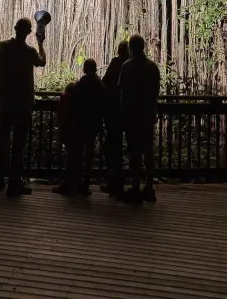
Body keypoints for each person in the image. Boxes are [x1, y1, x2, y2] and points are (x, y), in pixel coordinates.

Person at [0, 16, 46, 196]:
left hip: (6, 101)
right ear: (29, 32)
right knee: (19, 143)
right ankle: (15, 182)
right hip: (23, 103)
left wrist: (5, 88)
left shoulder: (3, 46)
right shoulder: (29, 51)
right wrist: (41, 43)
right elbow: (42, 61)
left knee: (3, 139)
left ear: (15, 28)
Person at [118, 33, 160, 204]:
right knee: (148, 152)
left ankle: (135, 188)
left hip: (132, 116)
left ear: (131, 48)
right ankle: (149, 188)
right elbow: (156, 91)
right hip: (147, 115)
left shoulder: (127, 66)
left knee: (134, 153)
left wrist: (123, 112)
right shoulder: (152, 67)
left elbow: (122, 91)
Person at [54, 59, 104, 197]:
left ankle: (70, 184)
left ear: (85, 69)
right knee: (88, 155)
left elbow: (74, 100)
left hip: (81, 123)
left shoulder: (83, 83)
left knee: (74, 154)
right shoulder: (100, 83)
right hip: (93, 124)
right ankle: (84, 185)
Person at [102, 39, 129, 197]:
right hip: (128, 113)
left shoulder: (117, 64)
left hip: (113, 112)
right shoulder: (132, 65)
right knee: (129, 149)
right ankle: (125, 184)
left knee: (112, 146)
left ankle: (115, 184)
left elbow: (106, 83)